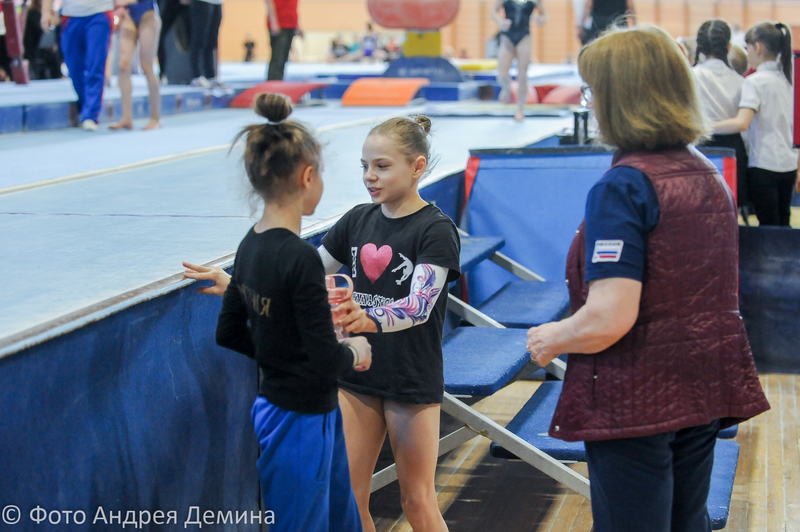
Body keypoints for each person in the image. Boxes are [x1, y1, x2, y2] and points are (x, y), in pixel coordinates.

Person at [526, 25, 769, 532]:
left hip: (636, 393)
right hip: (701, 382)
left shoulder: (625, 186)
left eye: (593, 91)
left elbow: (609, 316)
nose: (590, 103)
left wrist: (554, 336)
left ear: (619, 97)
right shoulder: (706, 172)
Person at [184, 115, 461, 532]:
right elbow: (304, 276)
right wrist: (239, 285)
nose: (370, 176)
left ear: (417, 166)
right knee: (349, 499)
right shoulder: (357, 220)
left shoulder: (434, 229)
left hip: (410, 374)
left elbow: (418, 306)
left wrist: (366, 318)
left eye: (382, 166)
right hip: (356, 377)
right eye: (364, 166)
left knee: (417, 500)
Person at [214, 92, 372, 532]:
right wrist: (356, 351)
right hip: (301, 420)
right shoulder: (300, 258)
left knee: (341, 521)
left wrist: (278, 353)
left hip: (289, 408)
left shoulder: (249, 245)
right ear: (307, 176)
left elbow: (229, 332)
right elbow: (325, 357)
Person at [712, 22, 799, 226]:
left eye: (747, 47)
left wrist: (708, 126)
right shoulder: (790, 80)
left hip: (764, 165)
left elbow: (741, 123)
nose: (747, 53)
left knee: (768, 226)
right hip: (789, 164)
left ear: (757, 47)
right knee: (784, 223)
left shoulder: (755, 81)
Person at [692, 19, 748, 207]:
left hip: (701, 146)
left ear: (699, 47)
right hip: (733, 149)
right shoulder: (741, 81)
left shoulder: (692, 76)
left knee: (702, 206)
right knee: (731, 207)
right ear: (729, 47)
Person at [42, 0, 114, 130]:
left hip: (99, 12)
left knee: (95, 65)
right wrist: (46, 12)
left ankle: (90, 115)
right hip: (71, 15)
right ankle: (85, 105)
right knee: (74, 68)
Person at [492, 0, 548, 121]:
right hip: (507, 37)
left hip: (524, 37)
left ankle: (520, 109)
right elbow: (494, 12)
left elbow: (544, 16)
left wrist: (539, 19)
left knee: (522, 76)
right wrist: (500, 22)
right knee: (502, 74)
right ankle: (507, 88)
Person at [110, 0, 162, 130]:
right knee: (123, 65)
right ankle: (126, 117)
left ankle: (155, 118)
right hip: (129, 15)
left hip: (148, 14)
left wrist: (123, 2)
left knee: (146, 66)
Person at [188, 0, 221, 87]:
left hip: (217, 2)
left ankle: (210, 76)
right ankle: (196, 76)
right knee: (199, 38)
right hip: (202, 2)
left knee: (212, 41)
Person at [265, 0, 299, 80]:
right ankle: (273, 80)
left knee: (284, 57)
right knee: (277, 57)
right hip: (279, 24)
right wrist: (274, 22)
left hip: (291, 23)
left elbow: (294, 6)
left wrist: (297, 24)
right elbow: (269, 2)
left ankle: (279, 79)